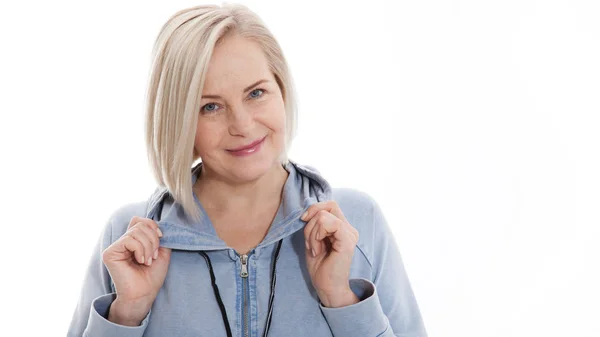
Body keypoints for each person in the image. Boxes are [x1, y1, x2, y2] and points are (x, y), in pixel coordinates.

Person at [67, 3, 427, 337]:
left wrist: (341, 300)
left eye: (256, 93)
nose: (242, 124)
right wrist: (126, 314)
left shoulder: (357, 223)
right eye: (210, 107)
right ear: (180, 122)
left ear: (281, 91)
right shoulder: (129, 240)